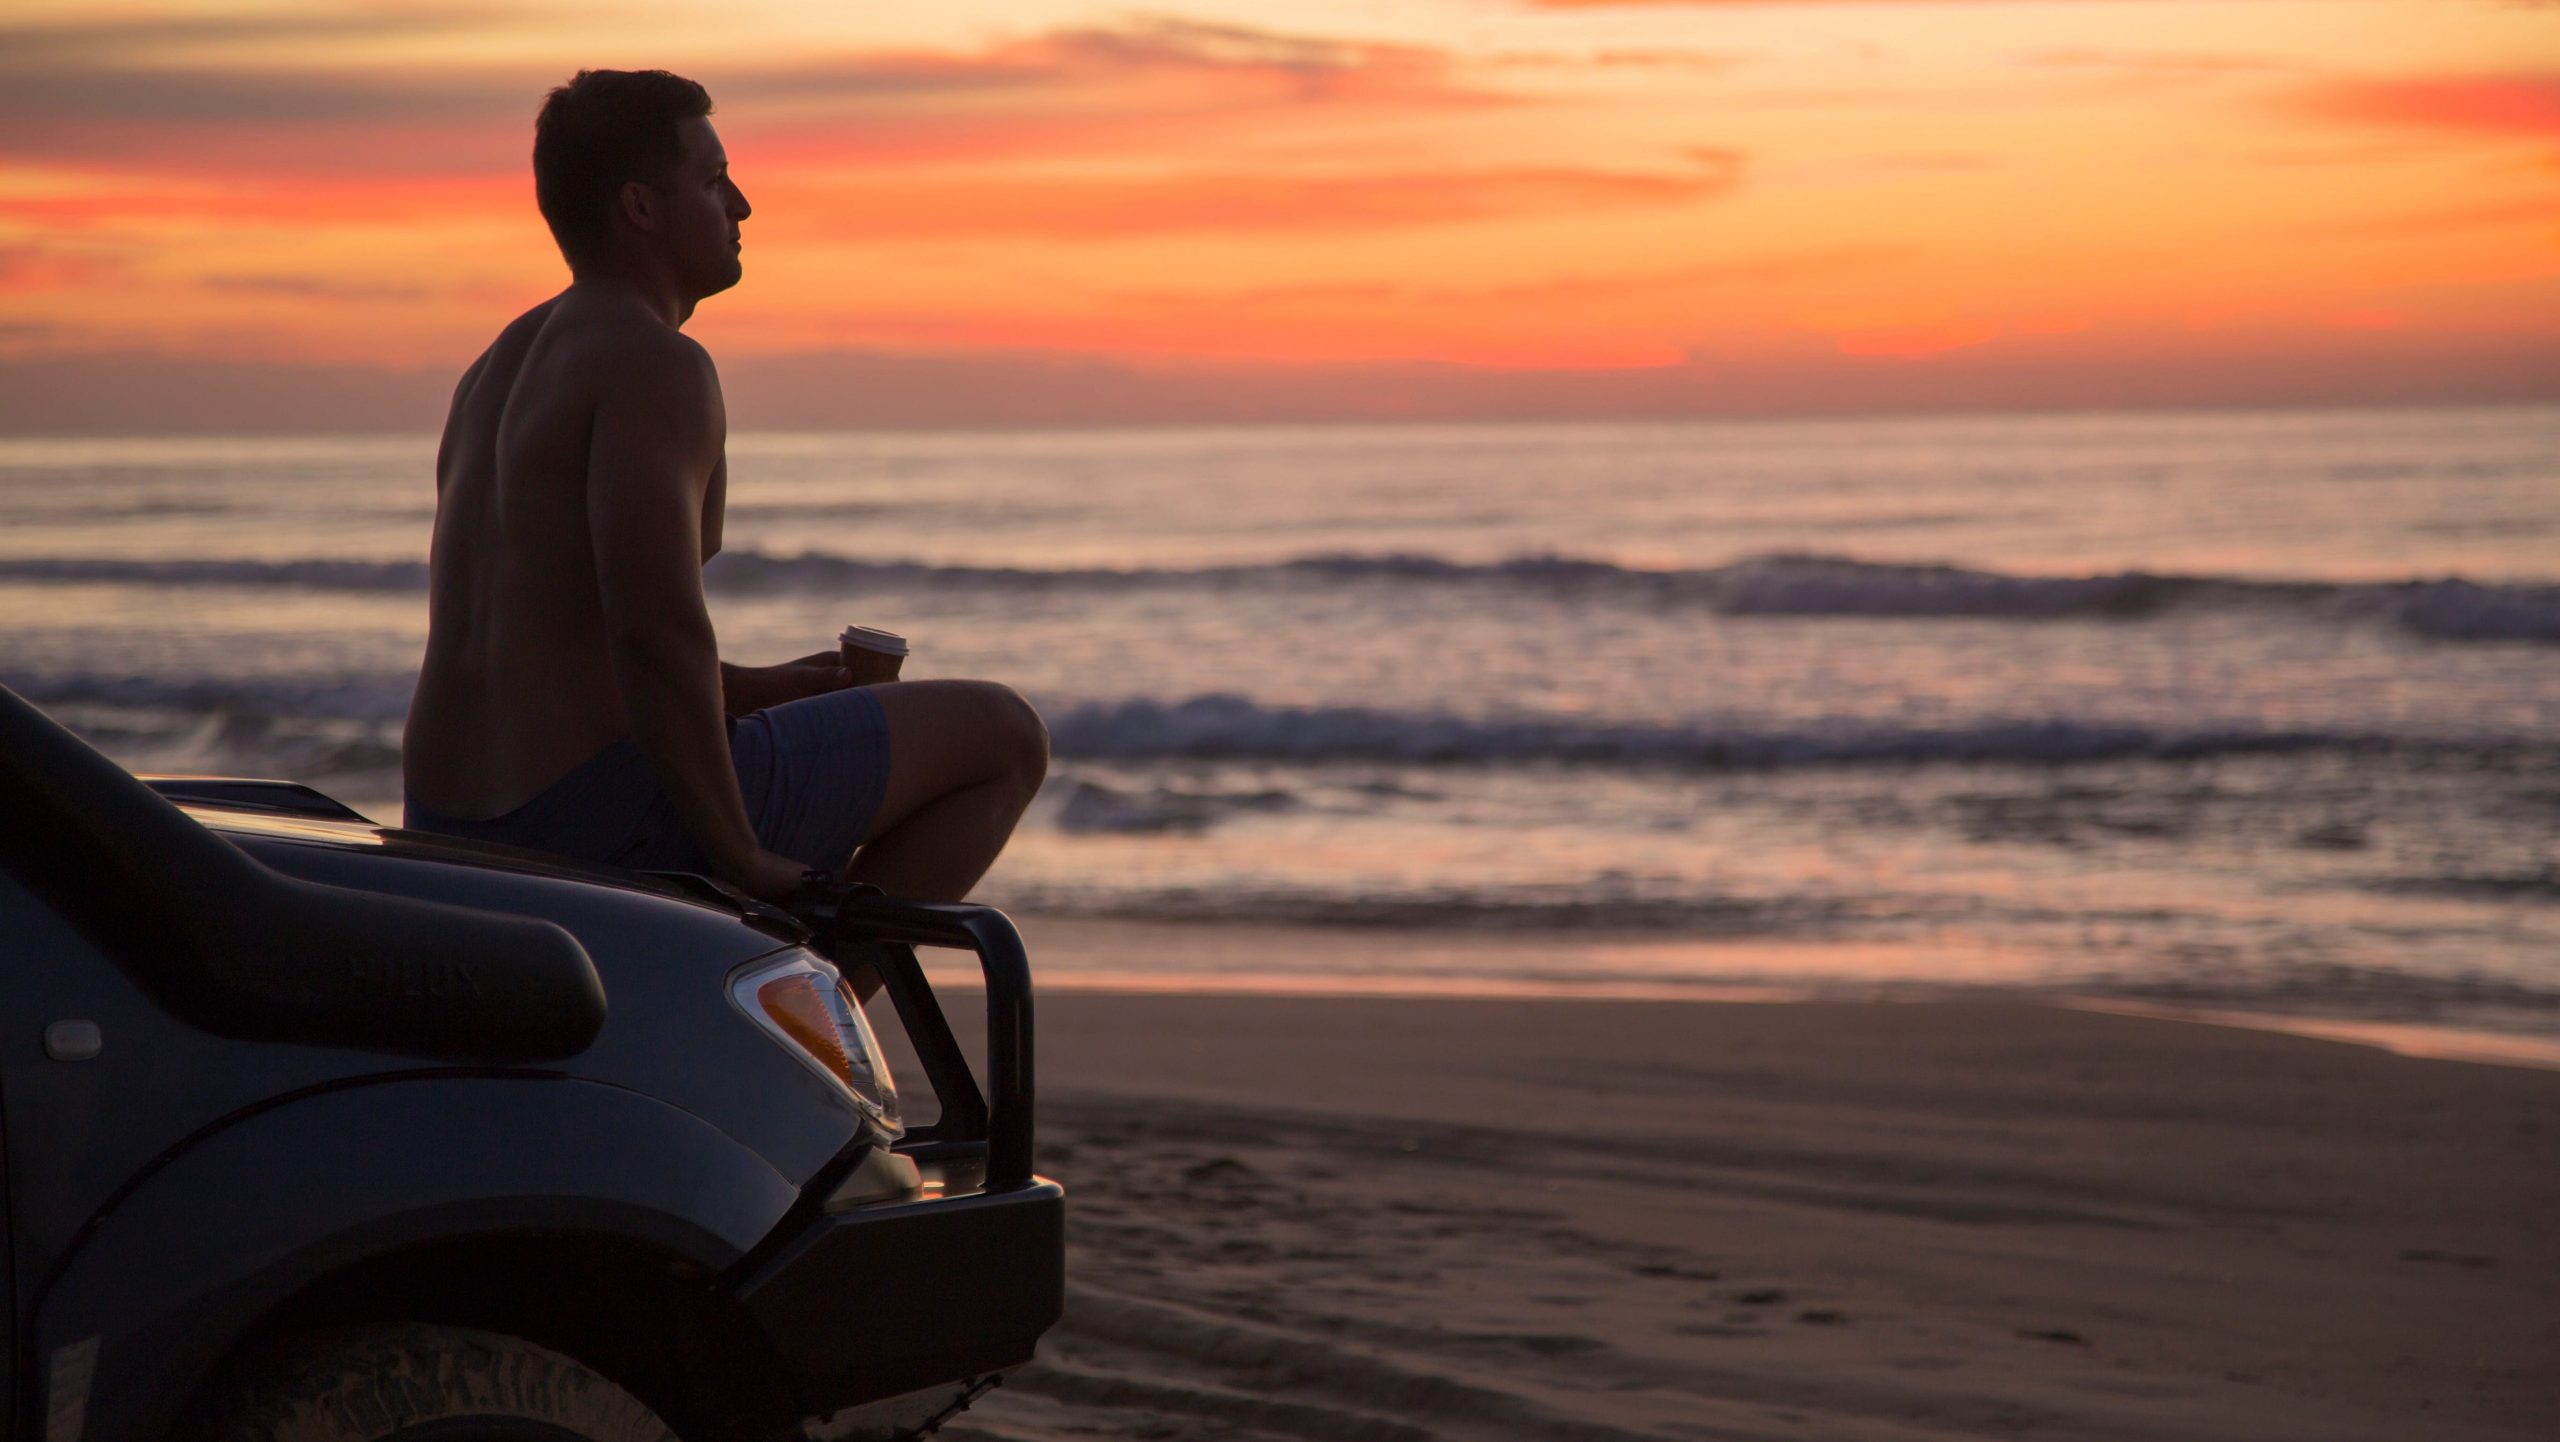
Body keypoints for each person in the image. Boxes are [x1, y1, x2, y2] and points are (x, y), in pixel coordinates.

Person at [402, 69, 1046, 902]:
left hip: (446, 821)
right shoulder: (654, 363)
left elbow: (561, 645)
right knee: (1002, 736)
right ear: (640, 207)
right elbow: (654, 630)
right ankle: (795, 1020)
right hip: (590, 818)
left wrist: (767, 689)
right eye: (713, 181)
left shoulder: (497, 367)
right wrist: (739, 852)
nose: (741, 206)